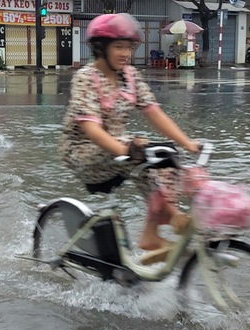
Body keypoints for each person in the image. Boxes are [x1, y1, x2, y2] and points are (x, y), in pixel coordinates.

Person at [58, 13, 199, 261]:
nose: (125, 54)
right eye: (118, 47)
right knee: (140, 152)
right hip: (82, 151)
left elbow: (154, 112)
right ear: (101, 48)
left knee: (167, 157)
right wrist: (126, 150)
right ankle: (173, 217)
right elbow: (91, 129)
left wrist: (187, 143)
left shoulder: (130, 76)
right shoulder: (86, 78)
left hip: (120, 148)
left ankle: (151, 234)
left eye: (129, 47)